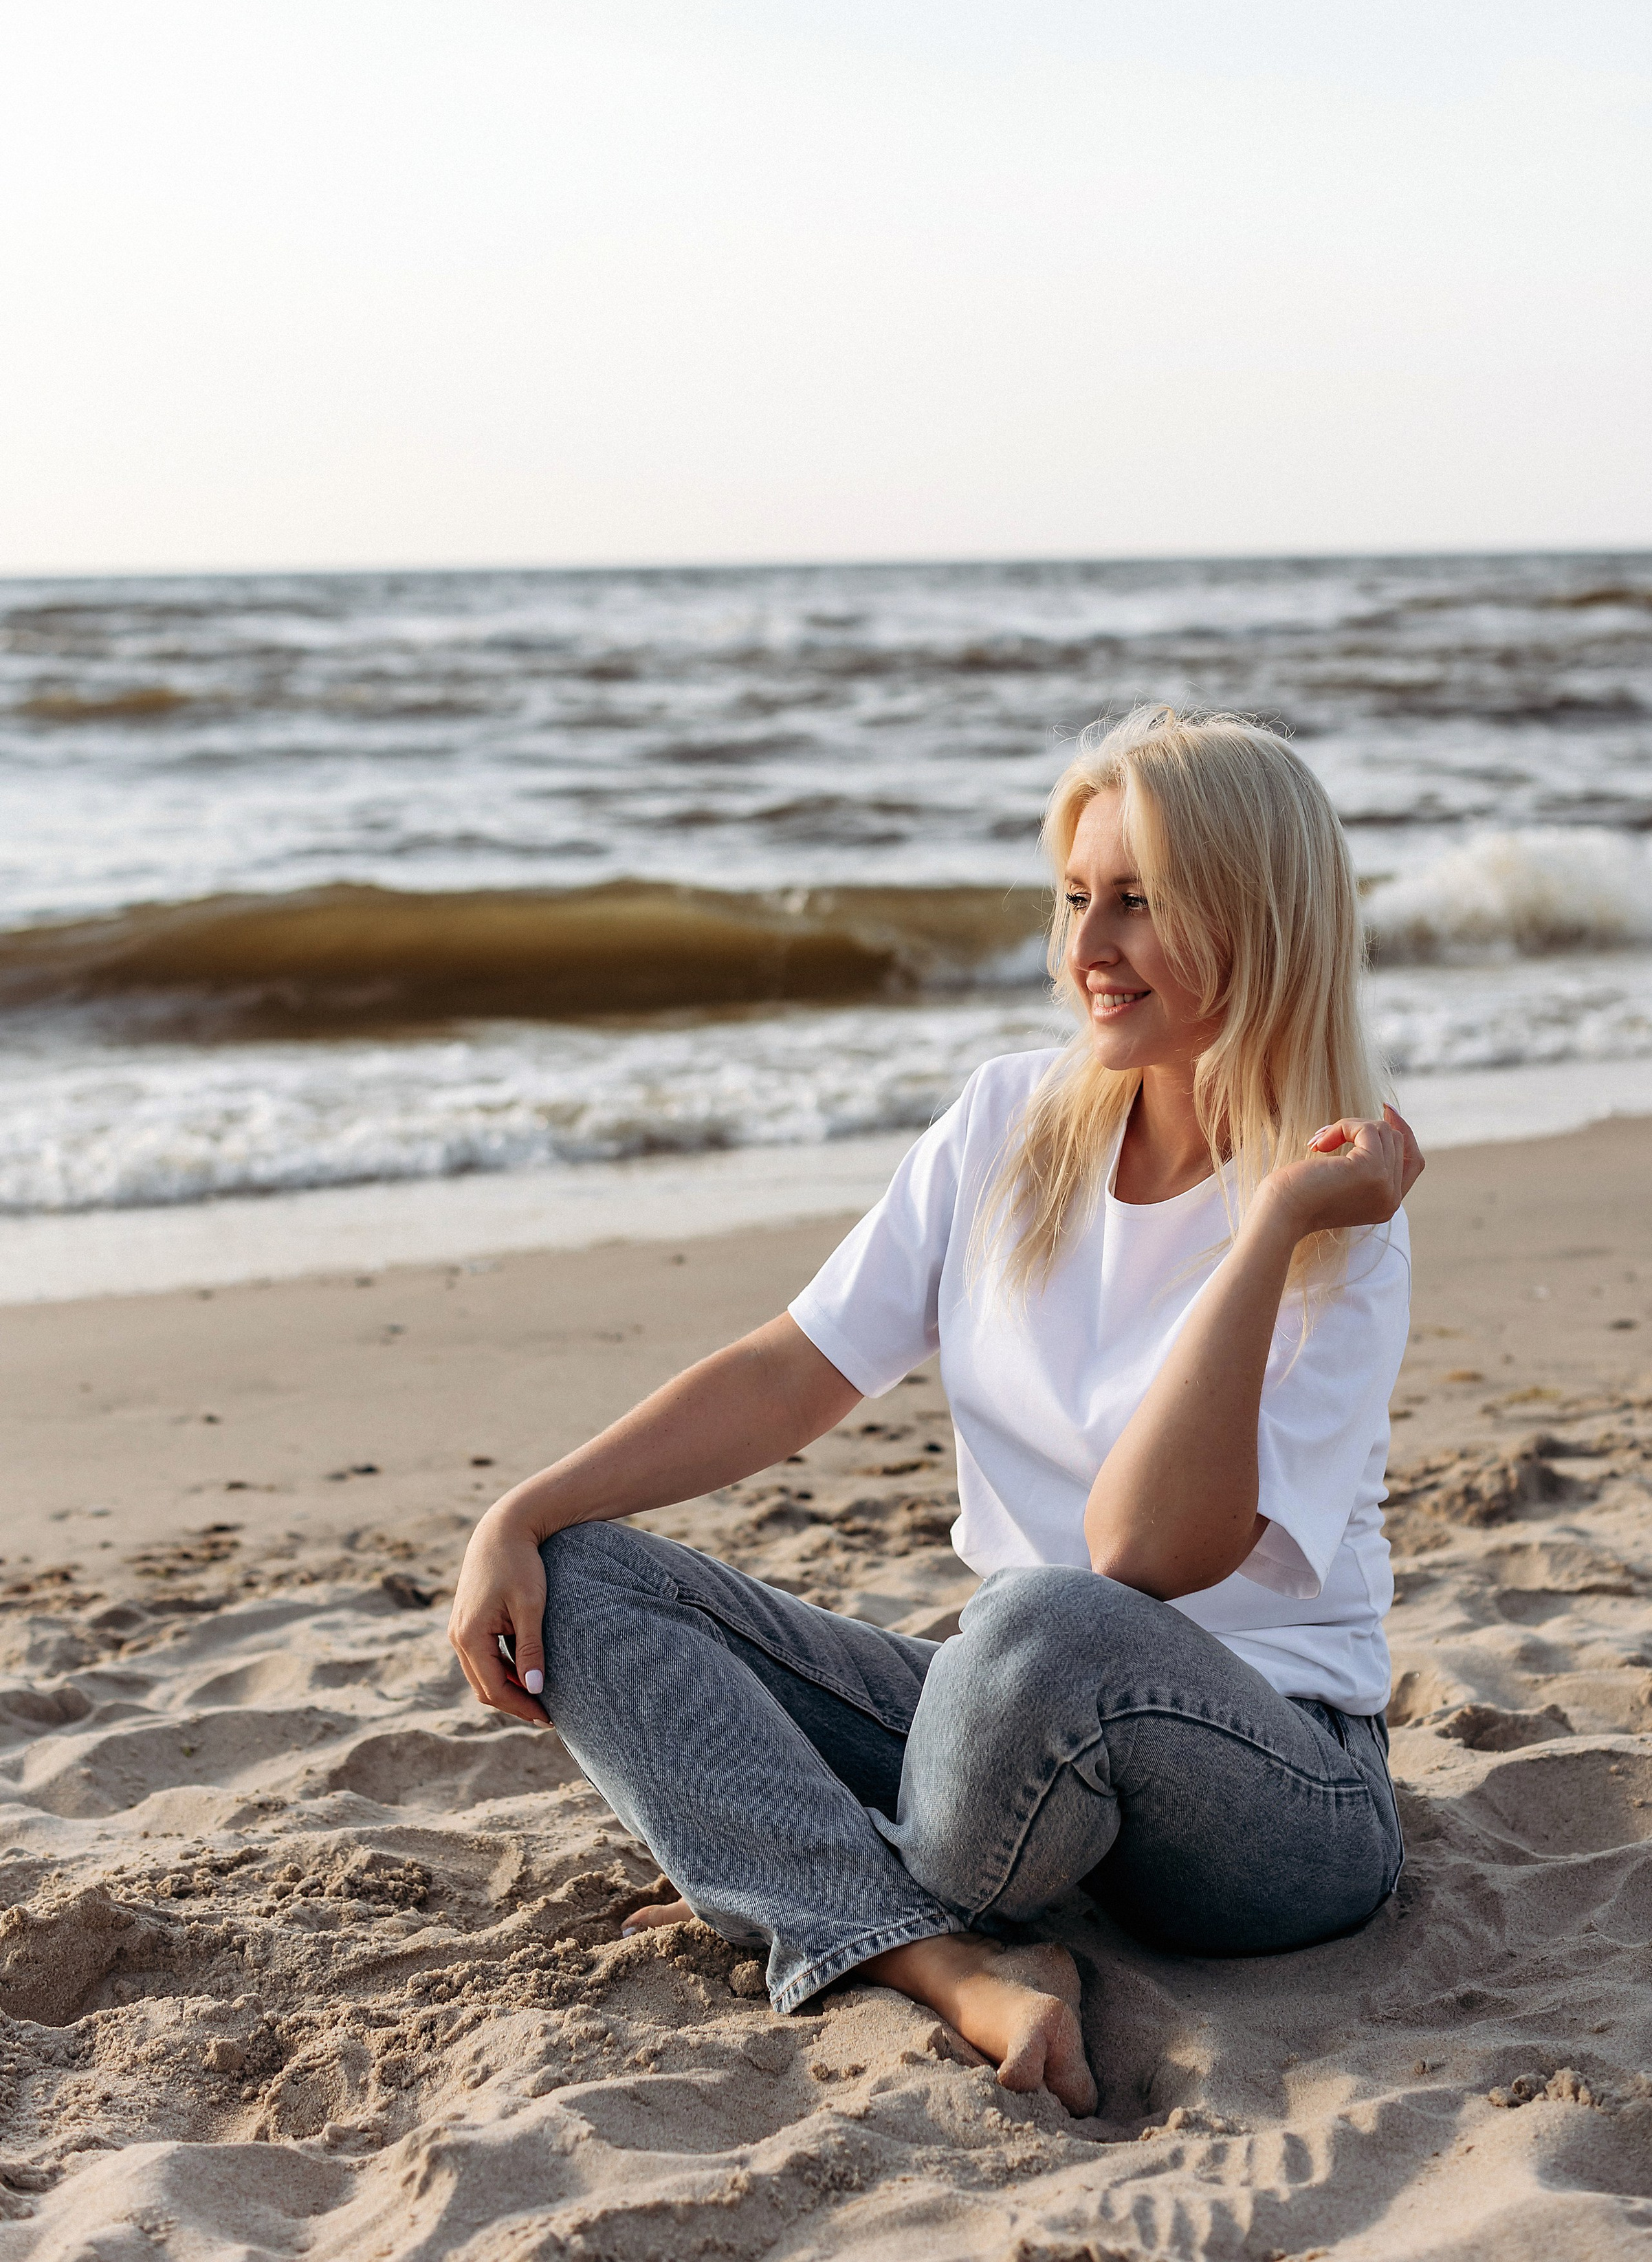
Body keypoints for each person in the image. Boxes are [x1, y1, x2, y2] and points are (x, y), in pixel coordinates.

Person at [449, 709, 1422, 2115]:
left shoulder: (1340, 1213)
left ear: (1255, 917)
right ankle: (945, 1964)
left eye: (1137, 902)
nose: (1085, 948)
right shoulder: (1005, 1122)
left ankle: (808, 1887)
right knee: (587, 1579)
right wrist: (523, 1511)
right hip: (1006, 1737)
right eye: (1075, 898)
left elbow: (1142, 1553)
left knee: (1042, 1619)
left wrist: (1266, 1227)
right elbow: (795, 1370)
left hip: (1273, 1801)